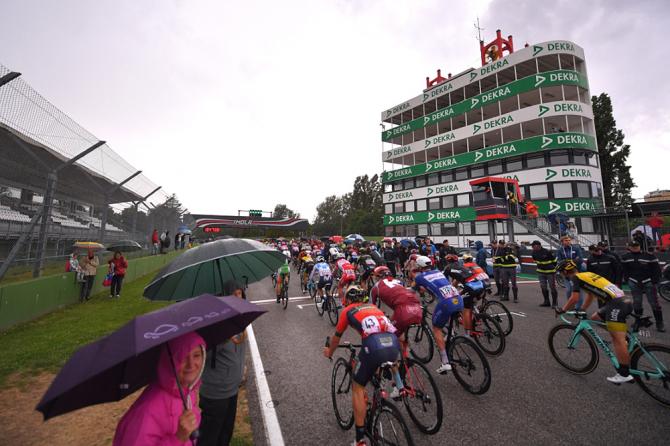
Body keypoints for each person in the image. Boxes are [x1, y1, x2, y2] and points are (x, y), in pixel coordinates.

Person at [323, 285, 401, 446]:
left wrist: (329, 352)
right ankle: (397, 386)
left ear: (349, 299)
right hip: (393, 344)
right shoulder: (373, 307)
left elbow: (336, 338)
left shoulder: (348, 311)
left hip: (373, 346)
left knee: (358, 387)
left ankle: (360, 440)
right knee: (380, 362)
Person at [113, 331, 206, 445]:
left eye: (196, 355)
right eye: (182, 357)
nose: (191, 364)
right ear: (169, 361)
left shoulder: (187, 392)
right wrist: (178, 438)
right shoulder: (148, 410)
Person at [555, 260, 634, 384]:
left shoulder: (575, 278)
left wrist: (562, 310)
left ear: (565, 272)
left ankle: (624, 373)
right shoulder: (587, 274)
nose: (561, 274)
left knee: (617, 340)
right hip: (621, 300)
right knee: (594, 319)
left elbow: (574, 298)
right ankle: (623, 339)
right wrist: (582, 309)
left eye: (561, 272)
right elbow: (591, 296)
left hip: (616, 304)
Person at [199, 281, 247, 446]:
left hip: (232, 388)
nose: (237, 298)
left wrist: (241, 368)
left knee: (225, 435)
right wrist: (220, 338)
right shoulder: (215, 321)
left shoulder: (238, 319)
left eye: (239, 294)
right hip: (216, 393)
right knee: (209, 439)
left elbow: (238, 348)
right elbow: (203, 354)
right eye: (233, 295)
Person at [413, 255, 463, 374]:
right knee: (448, 316)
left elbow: (412, 290)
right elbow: (437, 285)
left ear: (419, 266)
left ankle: (445, 362)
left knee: (436, 328)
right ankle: (451, 333)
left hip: (446, 303)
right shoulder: (438, 271)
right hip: (458, 298)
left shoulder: (420, 277)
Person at [370, 266, 422, 355]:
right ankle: (405, 352)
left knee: (388, 334)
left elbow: (372, 308)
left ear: (379, 276)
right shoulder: (399, 282)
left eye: (375, 276)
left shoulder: (376, 287)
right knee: (400, 329)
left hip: (403, 312)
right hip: (417, 308)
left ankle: (402, 360)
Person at [621, 241, 665, 332]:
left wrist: (654, 281)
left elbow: (657, 270)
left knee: (654, 303)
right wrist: (627, 280)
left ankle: (659, 323)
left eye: (637, 245)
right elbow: (624, 270)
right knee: (637, 302)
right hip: (634, 282)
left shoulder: (649, 256)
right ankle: (638, 321)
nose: (635, 247)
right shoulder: (625, 257)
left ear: (640, 246)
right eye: (633, 246)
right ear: (629, 247)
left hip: (648, 282)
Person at [556, 236, 585, 303]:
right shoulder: (560, 250)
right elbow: (559, 261)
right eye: (566, 240)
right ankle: (570, 306)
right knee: (569, 290)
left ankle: (578, 307)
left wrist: (570, 262)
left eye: (569, 240)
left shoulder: (576, 248)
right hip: (566, 272)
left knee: (577, 290)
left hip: (576, 271)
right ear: (562, 242)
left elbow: (580, 259)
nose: (568, 241)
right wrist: (572, 261)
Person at [531, 241, 558, 307]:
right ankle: (546, 301)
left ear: (538, 246)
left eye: (533, 246)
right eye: (532, 247)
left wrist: (551, 267)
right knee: (543, 287)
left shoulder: (547, 252)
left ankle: (555, 303)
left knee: (552, 287)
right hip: (541, 272)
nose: (533, 248)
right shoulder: (533, 252)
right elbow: (535, 260)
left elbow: (554, 261)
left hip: (550, 272)